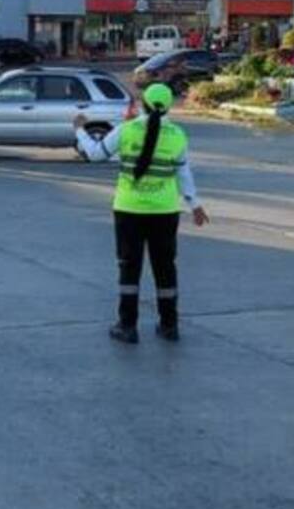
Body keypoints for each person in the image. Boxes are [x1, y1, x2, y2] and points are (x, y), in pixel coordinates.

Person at [74, 83, 209, 344]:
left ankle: (127, 326)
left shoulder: (126, 130)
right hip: (165, 211)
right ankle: (169, 326)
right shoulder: (177, 135)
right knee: (165, 268)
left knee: (129, 268)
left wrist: (80, 129)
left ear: (142, 104)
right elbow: (183, 172)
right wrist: (195, 204)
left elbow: (94, 154)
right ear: (169, 106)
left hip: (129, 210)